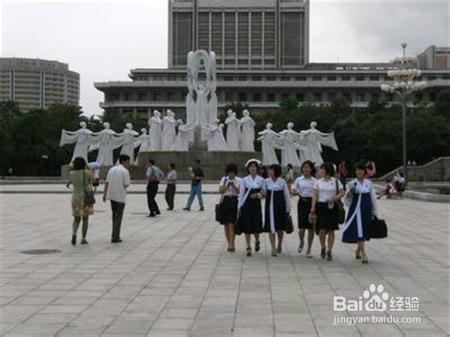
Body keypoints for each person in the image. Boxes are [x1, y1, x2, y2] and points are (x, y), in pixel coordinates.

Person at [342, 161, 378, 264]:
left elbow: (373, 198)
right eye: (357, 170)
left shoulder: (369, 183)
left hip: (366, 209)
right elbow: (348, 201)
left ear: (364, 171)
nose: (359, 172)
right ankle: (364, 253)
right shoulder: (351, 183)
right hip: (356, 210)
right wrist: (350, 193)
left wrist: (375, 211)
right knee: (359, 230)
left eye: (361, 170)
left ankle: (358, 249)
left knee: (364, 230)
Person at [310, 162, 345, 261]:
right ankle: (323, 247)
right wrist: (313, 207)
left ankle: (329, 250)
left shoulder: (336, 181)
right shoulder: (318, 182)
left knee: (331, 229)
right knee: (321, 229)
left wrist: (335, 198)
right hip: (321, 206)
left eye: (322, 169)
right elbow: (315, 195)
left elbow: (342, 192)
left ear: (327, 170)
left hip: (332, 206)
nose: (320, 171)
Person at [237, 159, 265, 257]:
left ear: (257, 168)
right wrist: (239, 207)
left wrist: (258, 195)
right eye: (251, 167)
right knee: (247, 225)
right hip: (246, 205)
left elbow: (264, 192)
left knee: (256, 225)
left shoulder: (261, 180)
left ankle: (257, 240)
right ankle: (248, 246)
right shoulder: (244, 180)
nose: (252, 168)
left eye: (254, 166)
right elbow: (241, 194)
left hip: (256, 205)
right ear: (248, 169)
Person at [264, 164, 291, 256]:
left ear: (275, 171)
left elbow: (286, 196)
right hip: (270, 206)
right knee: (271, 226)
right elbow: (263, 192)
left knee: (279, 227)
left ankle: (279, 243)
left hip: (280, 206)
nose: (269, 172)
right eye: (269, 170)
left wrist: (288, 209)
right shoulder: (266, 182)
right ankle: (273, 247)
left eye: (271, 170)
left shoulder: (282, 182)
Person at [103, 154, 131, 243]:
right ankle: (115, 237)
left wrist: (104, 194)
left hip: (112, 196)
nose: (129, 164)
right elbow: (126, 184)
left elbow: (106, 182)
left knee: (114, 216)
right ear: (123, 161)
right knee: (118, 217)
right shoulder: (125, 171)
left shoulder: (111, 169)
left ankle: (114, 234)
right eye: (128, 162)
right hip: (120, 197)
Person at [291, 160, 317, 258]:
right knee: (301, 229)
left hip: (312, 203)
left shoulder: (315, 181)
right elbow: (293, 188)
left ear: (311, 169)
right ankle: (301, 241)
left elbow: (316, 193)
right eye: (304, 167)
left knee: (311, 228)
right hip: (302, 202)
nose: (306, 169)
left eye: (308, 167)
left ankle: (309, 249)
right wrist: (293, 191)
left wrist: (314, 207)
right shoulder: (299, 180)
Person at [68, 157, 94, 246]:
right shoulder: (86, 172)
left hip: (75, 198)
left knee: (76, 219)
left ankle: (74, 234)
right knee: (85, 219)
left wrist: (73, 164)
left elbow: (70, 166)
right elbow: (94, 178)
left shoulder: (71, 173)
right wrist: (87, 166)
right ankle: (83, 238)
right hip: (85, 198)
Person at [218, 163, 241, 252]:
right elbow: (220, 190)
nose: (231, 174)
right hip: (226, 201)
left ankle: (232, 243)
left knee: (232, 223)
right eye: (229, 172)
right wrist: (227, 186)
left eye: (233, 172)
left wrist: (234, 186)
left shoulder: (239, 180)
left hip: (234, 201)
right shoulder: (224, 179)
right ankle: (229, 243)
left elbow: (240, 192)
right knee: (226, 224)